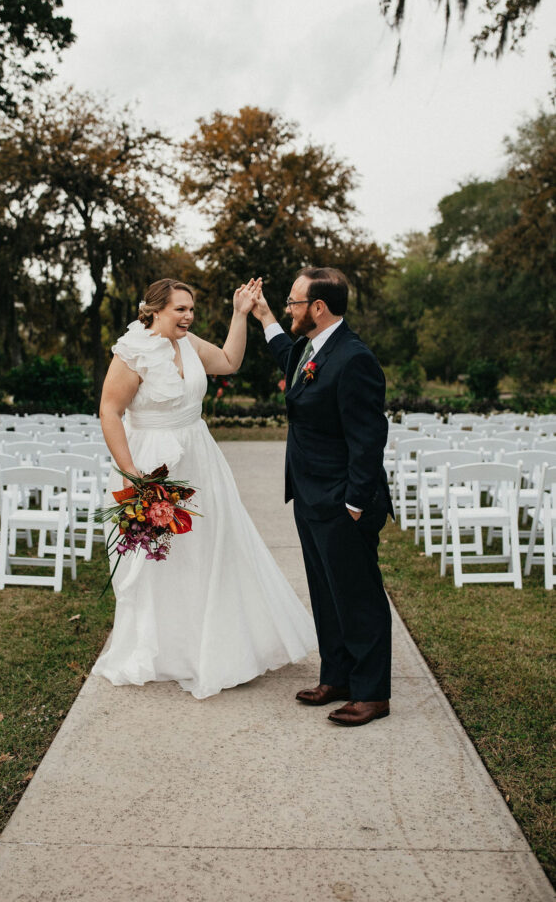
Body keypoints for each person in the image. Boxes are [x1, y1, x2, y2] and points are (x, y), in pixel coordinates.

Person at [92, 277, 316, 700]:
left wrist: (240, 313)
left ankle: (211, 648)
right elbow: (109, 410)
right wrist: (132, 474)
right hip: (152, 465)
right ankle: (166, 652)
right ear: (154, 310)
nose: (188, 316)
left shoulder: (190, 344)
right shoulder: (132, 352)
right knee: (162, 561)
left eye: (191, 309)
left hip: (200, 459)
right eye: (180, 309)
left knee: (211, 550)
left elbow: (230, 361)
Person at [251, 267, 393, 727]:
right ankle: (338, 677)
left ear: (318, 307)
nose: (288, 309)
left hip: (342, 501)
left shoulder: (354, 359)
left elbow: (369, 439)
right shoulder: (309, 348)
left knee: (358, 596)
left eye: (293, 303)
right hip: (310, 495)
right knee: (327, 592)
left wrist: (354, 503)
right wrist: (265, 317)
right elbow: (288, 359)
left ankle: (371, 693)